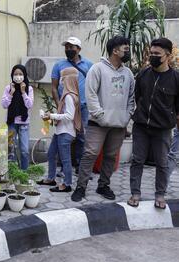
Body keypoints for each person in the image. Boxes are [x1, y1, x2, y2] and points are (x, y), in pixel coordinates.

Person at [71, 36, 135, 202]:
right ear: (115, 51)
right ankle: (81, 187)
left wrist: (127, 116)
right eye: (125, 49)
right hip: (97, 123)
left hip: (119, 124)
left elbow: (131, 97)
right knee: (90, 154)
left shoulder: (128, 73)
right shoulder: (97, 69)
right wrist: (100, 115)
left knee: (111, 156)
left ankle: (103, 185)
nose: (127, 52)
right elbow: (90, 94)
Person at [128, 38, 179, 209]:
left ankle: (160, 195)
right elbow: (138, 96)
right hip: (141, 126)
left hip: (163, 129)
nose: (153, 56)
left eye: (157, 54)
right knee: (137, 160)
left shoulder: (176, 78)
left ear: (168, 56)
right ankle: (135, 193)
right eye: (151, 53)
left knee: (162, 163)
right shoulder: (143, 73)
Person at [51, 37, 93, 172]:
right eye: (67, 47)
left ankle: (80, 167)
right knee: (64, 136)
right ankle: (64, 167)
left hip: (83, 107)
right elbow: (54, 87)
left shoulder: (89, 64)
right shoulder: (59, 65)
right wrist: (59, 106)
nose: (68, 49)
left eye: (72, 47)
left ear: (79, 49)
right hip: (65, 108)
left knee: (82, 137)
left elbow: (93, 85)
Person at [38, 68, 82, 193]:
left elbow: (69, 116)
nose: (61, 82)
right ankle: (51, 178)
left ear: (68, 80)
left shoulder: (69, 96)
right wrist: (51, 117)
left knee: (65, 159)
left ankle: (67, 184)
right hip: (60, 131)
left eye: (63, 79)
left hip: (65, 132)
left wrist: (51, 115)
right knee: (51, 154)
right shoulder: (70, 95)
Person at [1, 64, 34, 170]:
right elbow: (4, 105)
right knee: (11, 148)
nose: (18, 76)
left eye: (20, 74)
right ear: (12, 75)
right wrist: (11, 93)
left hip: (24, 122)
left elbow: (29, 105)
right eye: (15, 74)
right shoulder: (8, 88)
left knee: (24, 150)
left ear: (24, 75)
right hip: (12, 122)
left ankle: (24, 173)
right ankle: (13, 172)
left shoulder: (29, 88)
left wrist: (24, 92)